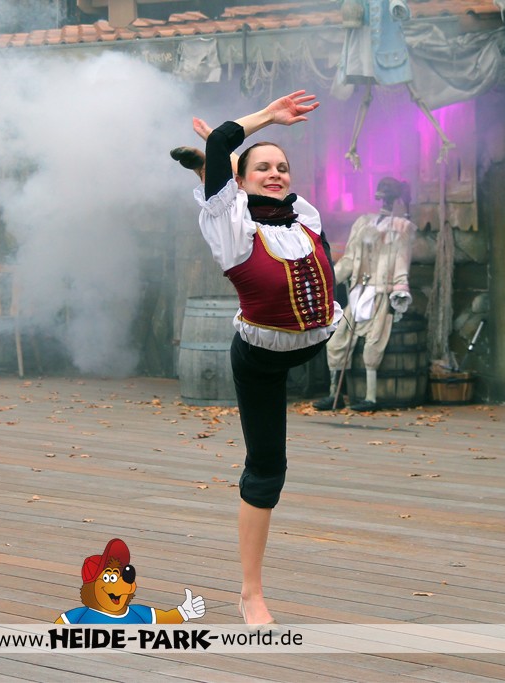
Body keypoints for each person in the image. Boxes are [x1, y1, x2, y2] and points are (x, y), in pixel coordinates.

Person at [186, 90, 338, 628]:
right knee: (268, 469)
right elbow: (228, 145)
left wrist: (227, 165)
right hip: (261, 358)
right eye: (263, 168)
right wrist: (268, 119)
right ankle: (251, 594)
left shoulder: (303, 216)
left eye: (282, 168)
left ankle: (217, 171)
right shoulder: (233, 232)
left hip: (315, 340)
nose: (276, 174)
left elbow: (238, 163)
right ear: (244, 181)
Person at [314, 177, 416, 412]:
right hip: (359, 292)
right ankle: (334, 394)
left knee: (373, 343)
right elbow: (350, 258)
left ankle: (371, 398)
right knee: (337, 341)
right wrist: (329, 279)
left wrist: (399, 292)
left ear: (396, 199)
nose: (384, 202)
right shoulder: (362, 223)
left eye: (388, 198)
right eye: (381, 197)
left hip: (381, 293)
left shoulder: (401, 228)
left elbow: (402, 262)